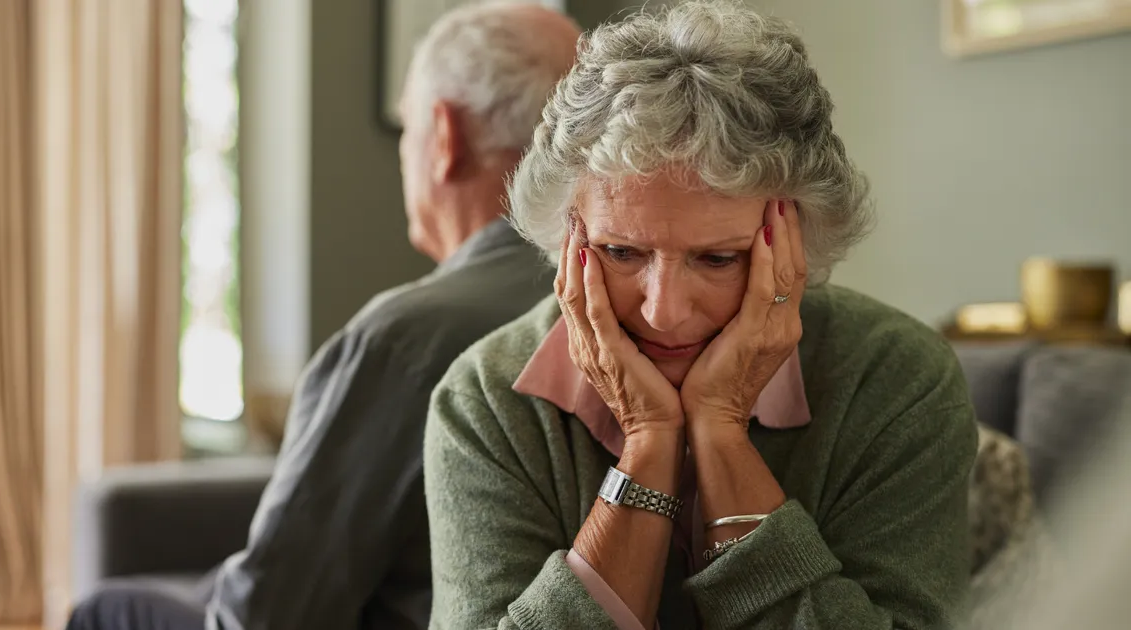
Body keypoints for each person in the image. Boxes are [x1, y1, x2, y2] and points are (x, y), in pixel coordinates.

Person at [423, 2, 978, 629]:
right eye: (621, 252)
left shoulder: (897, 379)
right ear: (567, 237)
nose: (663, 311)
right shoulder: (486, 399)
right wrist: (649, 443)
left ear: (800, 238)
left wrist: (719, 433)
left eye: (718, 258)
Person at [66, 4, 580, 630]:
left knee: (107, 610)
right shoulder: (628, 300)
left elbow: (268, 612)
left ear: (443, 137)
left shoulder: (404, 340)